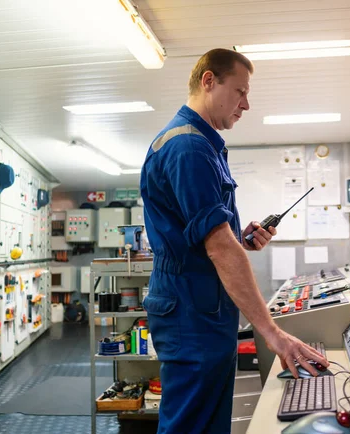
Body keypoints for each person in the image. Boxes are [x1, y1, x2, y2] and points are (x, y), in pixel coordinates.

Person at [140, 48, 329, 434]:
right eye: (240, 91)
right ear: (209, 81)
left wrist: (240, 241)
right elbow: (218, 247)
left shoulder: (204, 145)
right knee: (190, 424)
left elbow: (208, 239)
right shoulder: (189, 147)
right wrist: (274, 334)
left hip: (201, 305)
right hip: (191, 310)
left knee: (206, 421)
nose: (247, 103)